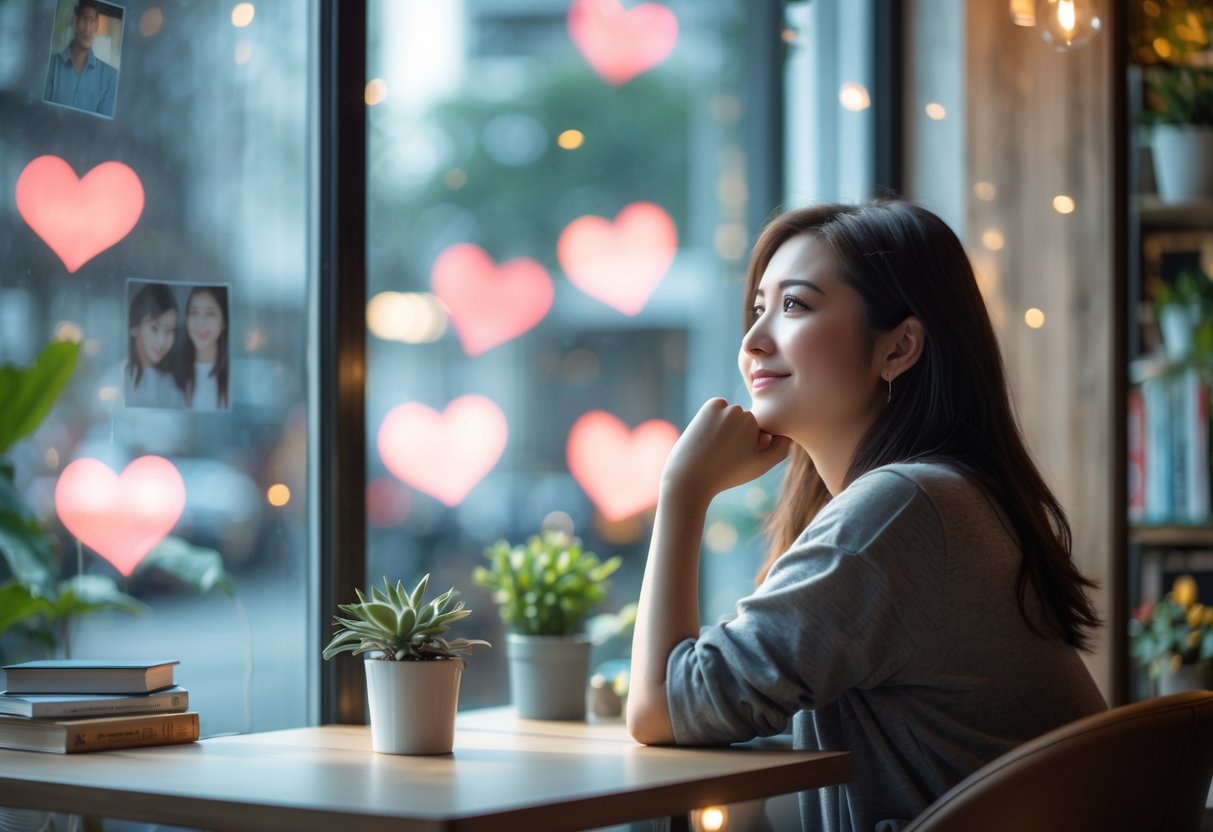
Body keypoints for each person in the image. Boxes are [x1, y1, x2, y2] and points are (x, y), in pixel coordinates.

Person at [626, 200, 1107, 832]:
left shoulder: (902, 510)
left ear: (900, 346)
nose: (753, 341)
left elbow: (660, 710)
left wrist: (683, 489)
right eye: (757, 308)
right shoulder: (944, 496)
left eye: (794, 305)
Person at [44, 0, 118, 118]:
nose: (88, 28)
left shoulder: (110, 77)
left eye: (92, 21)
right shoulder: (51, 64)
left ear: (97, 26)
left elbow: (103, 128)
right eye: (84, 19)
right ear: (74, 22)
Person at [126, 283, 184, 409]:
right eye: (154, 328)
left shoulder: (172, 387)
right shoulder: (115, 381)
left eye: (169, 330)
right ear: (134, 327)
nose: (161, 341)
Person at [174, 286, 230, 411]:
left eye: (210, 314)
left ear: (223, 322)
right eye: (193, 312)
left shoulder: (233, 376)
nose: (201, 323)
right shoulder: (172, 372)